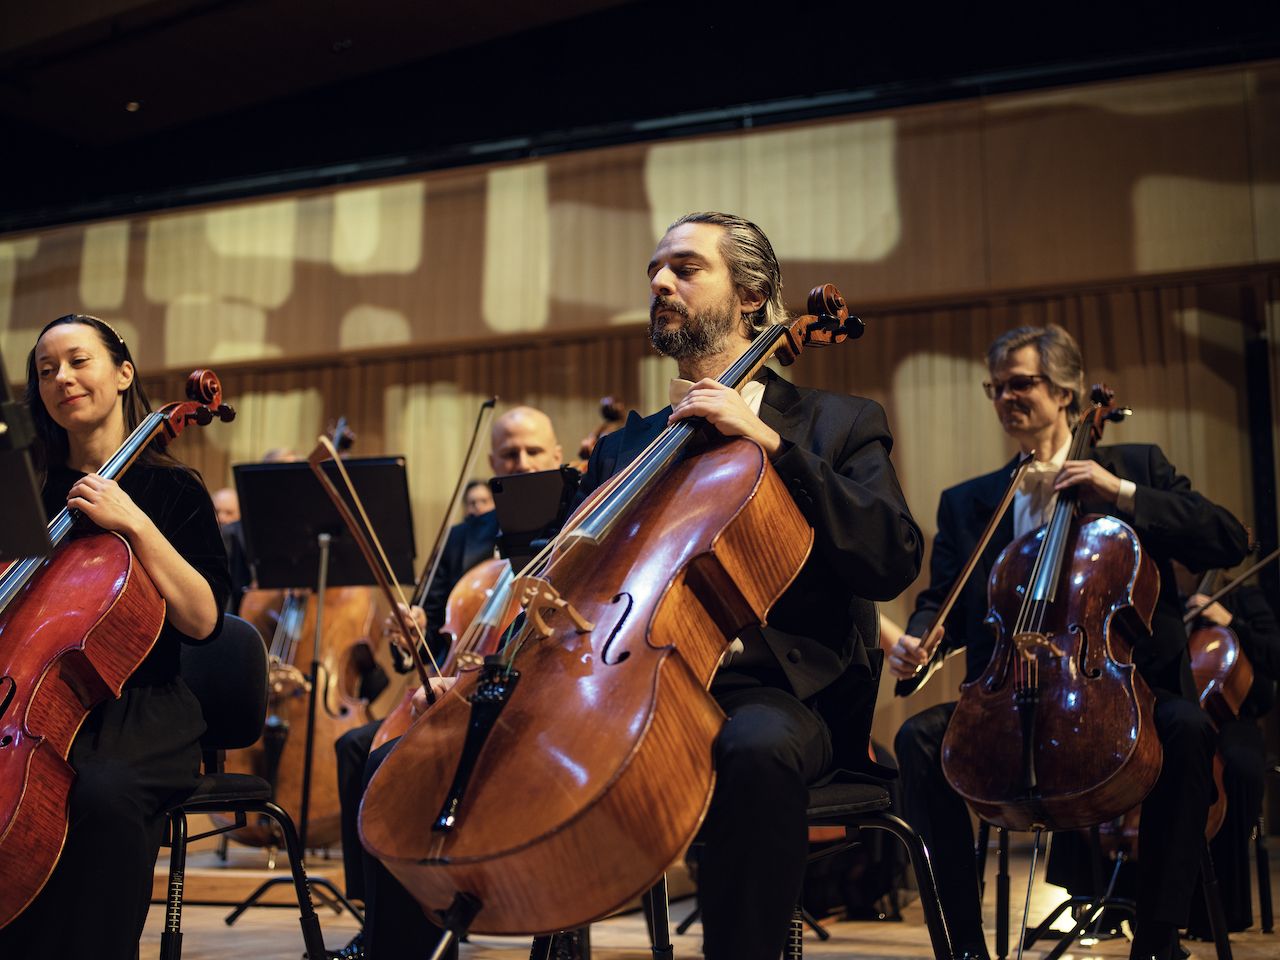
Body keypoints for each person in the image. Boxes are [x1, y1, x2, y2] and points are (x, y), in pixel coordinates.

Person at [570, 210, 921, 959]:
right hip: (635, 687)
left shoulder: (836, 424)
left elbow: (892, 556)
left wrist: (770, 442)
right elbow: (578, 584)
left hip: (777, 697)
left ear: (752, 296)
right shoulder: (625, 448)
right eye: (654, 271)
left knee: (752, 748)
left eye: (686, 268)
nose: (660, 282)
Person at [888, 323, 1250, 960]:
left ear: (1065, 392)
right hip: (1010, 701)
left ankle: (1157, 941)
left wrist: (1119, 493)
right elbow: (941, 601)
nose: (1006, 398)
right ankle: (963, 947)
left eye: (1020, 383)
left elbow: (1228, 538)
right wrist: (921, 640)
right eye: (996, 388)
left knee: (1188, 729)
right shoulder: (970, 503)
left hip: (1122, 696)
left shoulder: (1136, 467)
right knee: (918, 740)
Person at [0, 314, 229, 960]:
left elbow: (204, 620)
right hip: (26, 702)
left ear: (124, 373)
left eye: (78, 361)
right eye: (46, 371)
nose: (62, 379)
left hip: (138, 711)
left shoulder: (172, 489)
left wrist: (136, 524)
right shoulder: (25, 492)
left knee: (99, 793)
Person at [327, 406, 562, 960]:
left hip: (534, 696)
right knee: (357, 746)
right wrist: (408, 635)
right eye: (510, 454)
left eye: (533, 451)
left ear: (557, 456)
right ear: (492, 462)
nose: (522, 462)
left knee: (396, 758)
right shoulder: (465, 537)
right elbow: (429, 639)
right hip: (457, 689)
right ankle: (378, 918)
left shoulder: (578, 518)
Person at [1184, 578, 1280, 937]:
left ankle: (1223, 908)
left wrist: (1229, 621)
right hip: (1183, 716)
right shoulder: (1166, 596)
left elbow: (1275, 654)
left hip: (1233, 718)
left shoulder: (1243, 597)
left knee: (1238, 769)